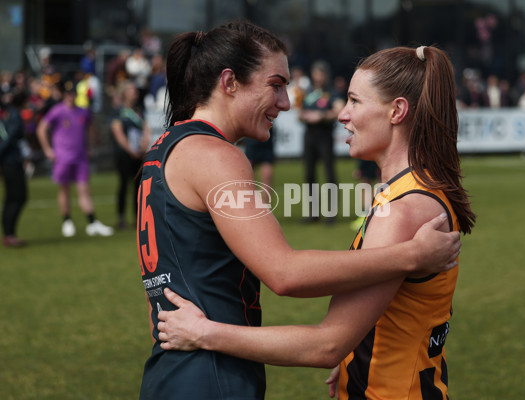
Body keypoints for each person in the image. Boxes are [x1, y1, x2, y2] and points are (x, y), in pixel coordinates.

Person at [136, 21, 461, 400]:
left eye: (355, 101)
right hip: (211, 373)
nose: (286, 102)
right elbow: (285, 273)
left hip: (169, 369)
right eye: (275, 85)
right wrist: (412, 255)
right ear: (230, 82)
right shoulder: (217, 156)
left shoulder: (163, 148)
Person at [36, 79, 113, 238]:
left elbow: (90, 130)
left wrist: (90, 147)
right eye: (68, 94)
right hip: (62, 157)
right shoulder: (57, 111)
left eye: (73, 94)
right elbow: (41, 129)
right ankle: (67, 220)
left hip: (80, 157)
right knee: (64, 189)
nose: (71, 97)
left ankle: (92, 222)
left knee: (84, 190)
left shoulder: (83, 112)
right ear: (64, 95)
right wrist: (48, 149)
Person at [299, 60, 341, 223]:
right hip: (310, 135)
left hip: (325, 135)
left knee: (329, 173)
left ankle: (331, 214)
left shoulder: (332, 92)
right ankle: (313, 213)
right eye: (315, 73)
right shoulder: (308, 92)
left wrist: (321, 116)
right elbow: (300, 113)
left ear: (325, 75)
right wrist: (304, 115)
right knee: (309, 174)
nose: (318, 76)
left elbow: (338, 110)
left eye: (320, 73)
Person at [110, 80, 150, 229]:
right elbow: (117, 131)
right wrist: (130, 149)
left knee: (139, 186)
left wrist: (144, 145)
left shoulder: (138, 110)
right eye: (132, 90)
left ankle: (138, 217)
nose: (135, 92)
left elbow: (146, 128)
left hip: (139, 153)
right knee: (123, 185)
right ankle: (121, 218)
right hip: (124, 154)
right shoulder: (119, 111)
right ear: (125, 92)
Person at [0, 91, 28, 247]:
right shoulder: (14, 116)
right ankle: (9, 234)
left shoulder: (8, 114)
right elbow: (8, 139)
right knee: (17, 197)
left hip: (9, 161)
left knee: (12, 197)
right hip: (11, 161)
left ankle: (8, 233)